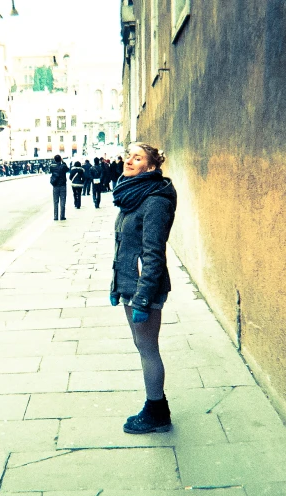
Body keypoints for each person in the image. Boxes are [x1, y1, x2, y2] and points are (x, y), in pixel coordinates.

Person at [110, 142, 177, 435]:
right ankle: (155, 407)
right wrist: (116, 285)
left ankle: (157, 412)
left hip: (143, 289)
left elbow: (152, 254)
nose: (129, 160)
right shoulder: (132, 194)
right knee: (142, 346)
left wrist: (142, 298)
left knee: (148, 348)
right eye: (128, 155)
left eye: (137, 157)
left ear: (150, 167)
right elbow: (124, 244)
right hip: (129, 285)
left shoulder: (155, 200)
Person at [49, 154, 68, 221]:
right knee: (63, 201)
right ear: (60, 159)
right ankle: (62, 216)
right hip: (63, 185)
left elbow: (51, 170)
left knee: (55, 202)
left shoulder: (52, 166)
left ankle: (55, 216)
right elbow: (67, 169)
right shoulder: (63, 166)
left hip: (55, 186)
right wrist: (63, 161)